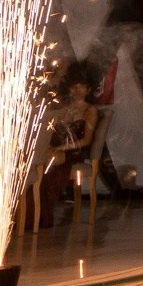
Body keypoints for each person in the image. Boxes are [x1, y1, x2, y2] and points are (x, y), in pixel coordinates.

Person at [36, 70, 99, 227]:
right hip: (56, 148)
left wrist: (62, 148)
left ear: (88, 89)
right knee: (36, 160)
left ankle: (42, 213)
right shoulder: (62, 108)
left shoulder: (90, 110)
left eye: (82, 86)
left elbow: (86, 140)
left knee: (50, 161)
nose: (77, 90)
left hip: (74, 151)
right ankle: (33, 211)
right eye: (74, 86)